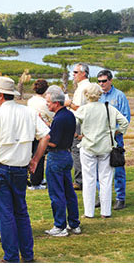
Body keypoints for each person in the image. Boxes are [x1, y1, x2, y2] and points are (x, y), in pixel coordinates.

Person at [0, 76, 49, 263]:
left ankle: (10, 257)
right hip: (20, 169)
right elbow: (45, 137)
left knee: (6, 213)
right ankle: (27, 254)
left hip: (0, 169)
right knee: (21, 212)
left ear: (1, 95)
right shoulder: (28, 112)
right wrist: (35, 160)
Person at [30, 85, 81, 237]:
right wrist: (46, 126)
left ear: (56, 103)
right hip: (67, 155)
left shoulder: (58, 119)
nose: (47, 104)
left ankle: (60, 226)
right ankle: (74, 223)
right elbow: (64, 133)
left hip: (56, 157)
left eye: (49, 102)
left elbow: (53, 141)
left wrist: (42, 139)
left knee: (57, 193)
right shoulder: (69, 115)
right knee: (68, 192)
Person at [74, 83, 129, 219]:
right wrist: (117, 132)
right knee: (106, 179)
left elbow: (73, 122)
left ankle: (89, 212)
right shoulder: (108, 108)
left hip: (88, 146)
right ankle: (106, 212)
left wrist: (77, 135)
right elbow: (124, 122)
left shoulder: (83, 109)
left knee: (89, 180)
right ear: (99, 94)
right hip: (106, 147)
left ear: (87, 95)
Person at [97, 70, 131, 210]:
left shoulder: (119, 96)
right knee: (99, 169)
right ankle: (102, 197)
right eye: (99, 81)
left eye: (104, 81)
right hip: (99, 138)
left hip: (115, 139)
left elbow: (126, 118)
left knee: (117, 168)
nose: (101, 84)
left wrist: (115, 132)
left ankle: (120, 198)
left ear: (110, 80)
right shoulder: (97, 96)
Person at [64, 63, 91, 191]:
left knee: (76, 150)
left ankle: (79, 180)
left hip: (79, 122)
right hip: (83, 122)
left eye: (75, 72)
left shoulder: (83, 88)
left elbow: (81, 109)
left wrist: (69, 104)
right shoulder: (85, 86)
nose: (73, 75)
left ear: (83, 73)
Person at [26, 79, 54, 190]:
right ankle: (36, 182)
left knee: (33, 155)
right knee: (39, 156)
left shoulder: (30, 101)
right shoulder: (45, 103)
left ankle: (36, 179)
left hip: (31, 131)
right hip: (41, 132)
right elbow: (52, 115)